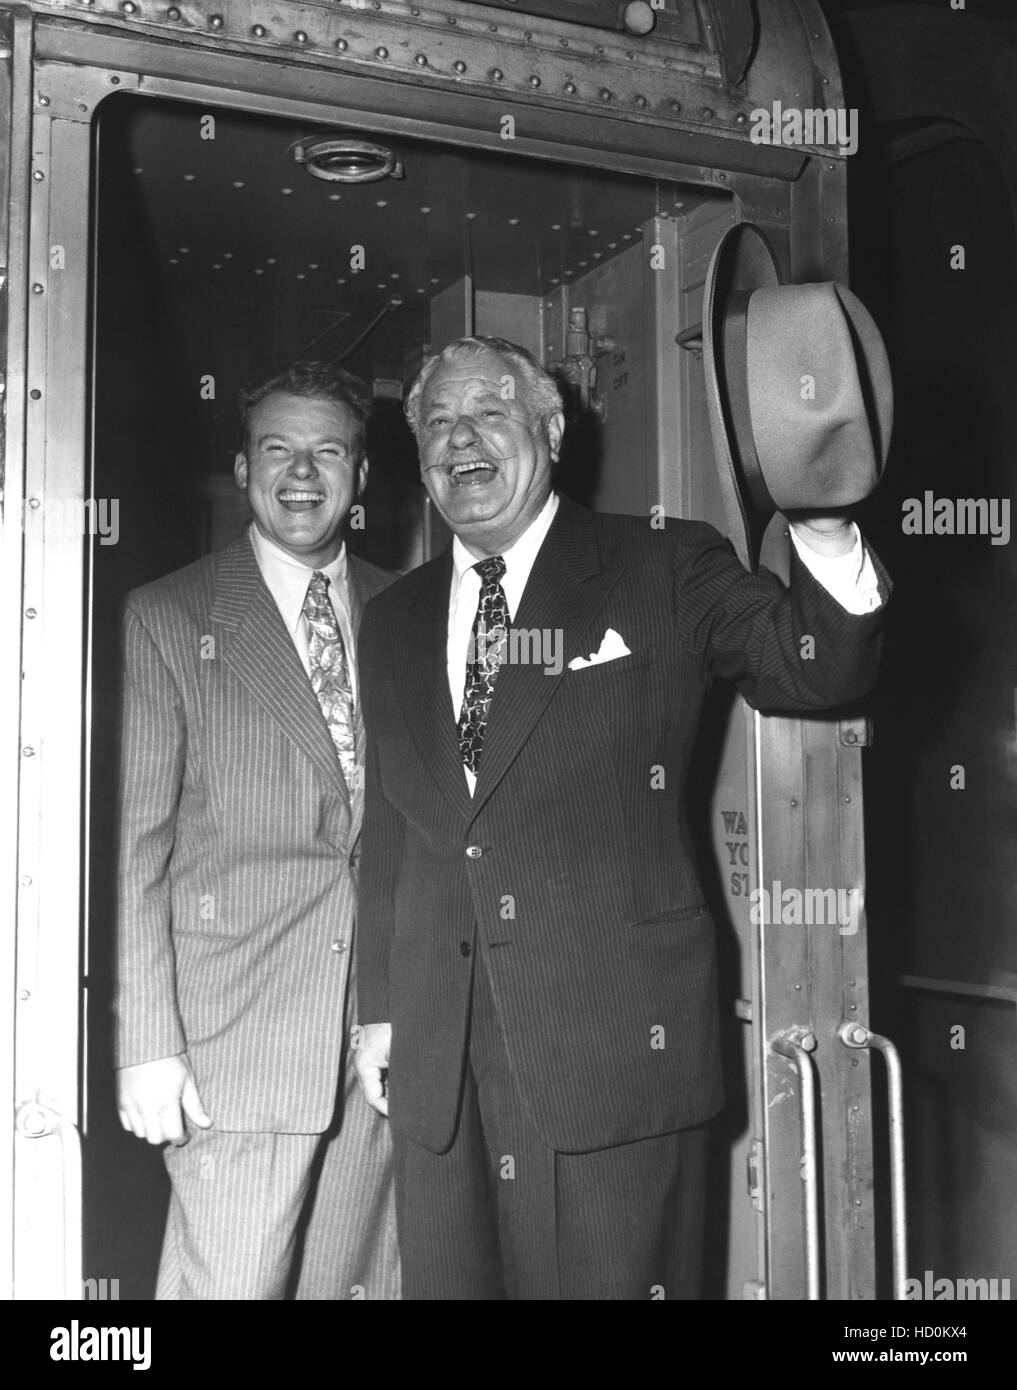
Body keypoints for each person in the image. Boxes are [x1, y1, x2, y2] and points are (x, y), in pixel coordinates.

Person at [353, 305, 890, 1299]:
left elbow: (813, 670)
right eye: (435, 421)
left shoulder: (663, 564)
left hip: (610, 1057)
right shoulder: (391, 620)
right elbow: (393, 826)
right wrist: (379, 1011)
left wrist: (819, 512)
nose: (461, 437)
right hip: (439, 1070)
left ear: (553, 432)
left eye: (491, 410)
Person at [115, 360, 399, 1300]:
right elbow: (135, 855)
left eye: (328, 451)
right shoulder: (168, 617)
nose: (302, 473)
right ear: (242, 470)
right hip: (232, 1045)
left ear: (360, 477)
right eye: (277, 449)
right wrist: (146, 1044)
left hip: (383, 1047)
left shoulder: (411, 610)